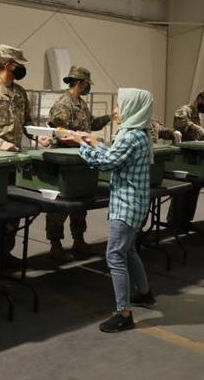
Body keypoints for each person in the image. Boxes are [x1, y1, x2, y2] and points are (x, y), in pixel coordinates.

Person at [61, 89, 155, 333]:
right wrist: (95, 142)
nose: (115, 110)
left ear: (133, 108)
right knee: (129, 250)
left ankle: (123, 313)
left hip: (126, 205)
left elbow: (106, 163)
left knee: (114, 255)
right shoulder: (140, 134)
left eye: (120, 105)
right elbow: (116, 157)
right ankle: (145, 293)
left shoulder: (130, 137)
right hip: (137, 204)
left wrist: (81, 145)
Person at [0, 44, 50, 279]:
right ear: (7, 64)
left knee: (13, 212)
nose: (22, 68)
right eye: (18, 64)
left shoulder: (20, 92)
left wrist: (38, 136)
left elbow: (26, 123)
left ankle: (5, 255)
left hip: (14, 162)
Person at [45, 66, 111, 261]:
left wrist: (109, 117)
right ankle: (55, 244)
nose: (88, 87)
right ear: (81, 83)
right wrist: (83, 140)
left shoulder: (80, 104)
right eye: (87, 84)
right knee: (61, 204)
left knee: (80, 201)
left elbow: (92, 124)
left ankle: (78, 239)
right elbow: (60, 132)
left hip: (80, 158)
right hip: (64, 160)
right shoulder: (63, 104)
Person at [166, 87, 204, 232]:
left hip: (193, 157)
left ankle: (186, 220)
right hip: (181, 158)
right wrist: (198, 129)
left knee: (194, 189)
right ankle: (174, 221)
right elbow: (180, 124)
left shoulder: (198, 115)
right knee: (181, 191)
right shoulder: (184, 110)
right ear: (201, 99)